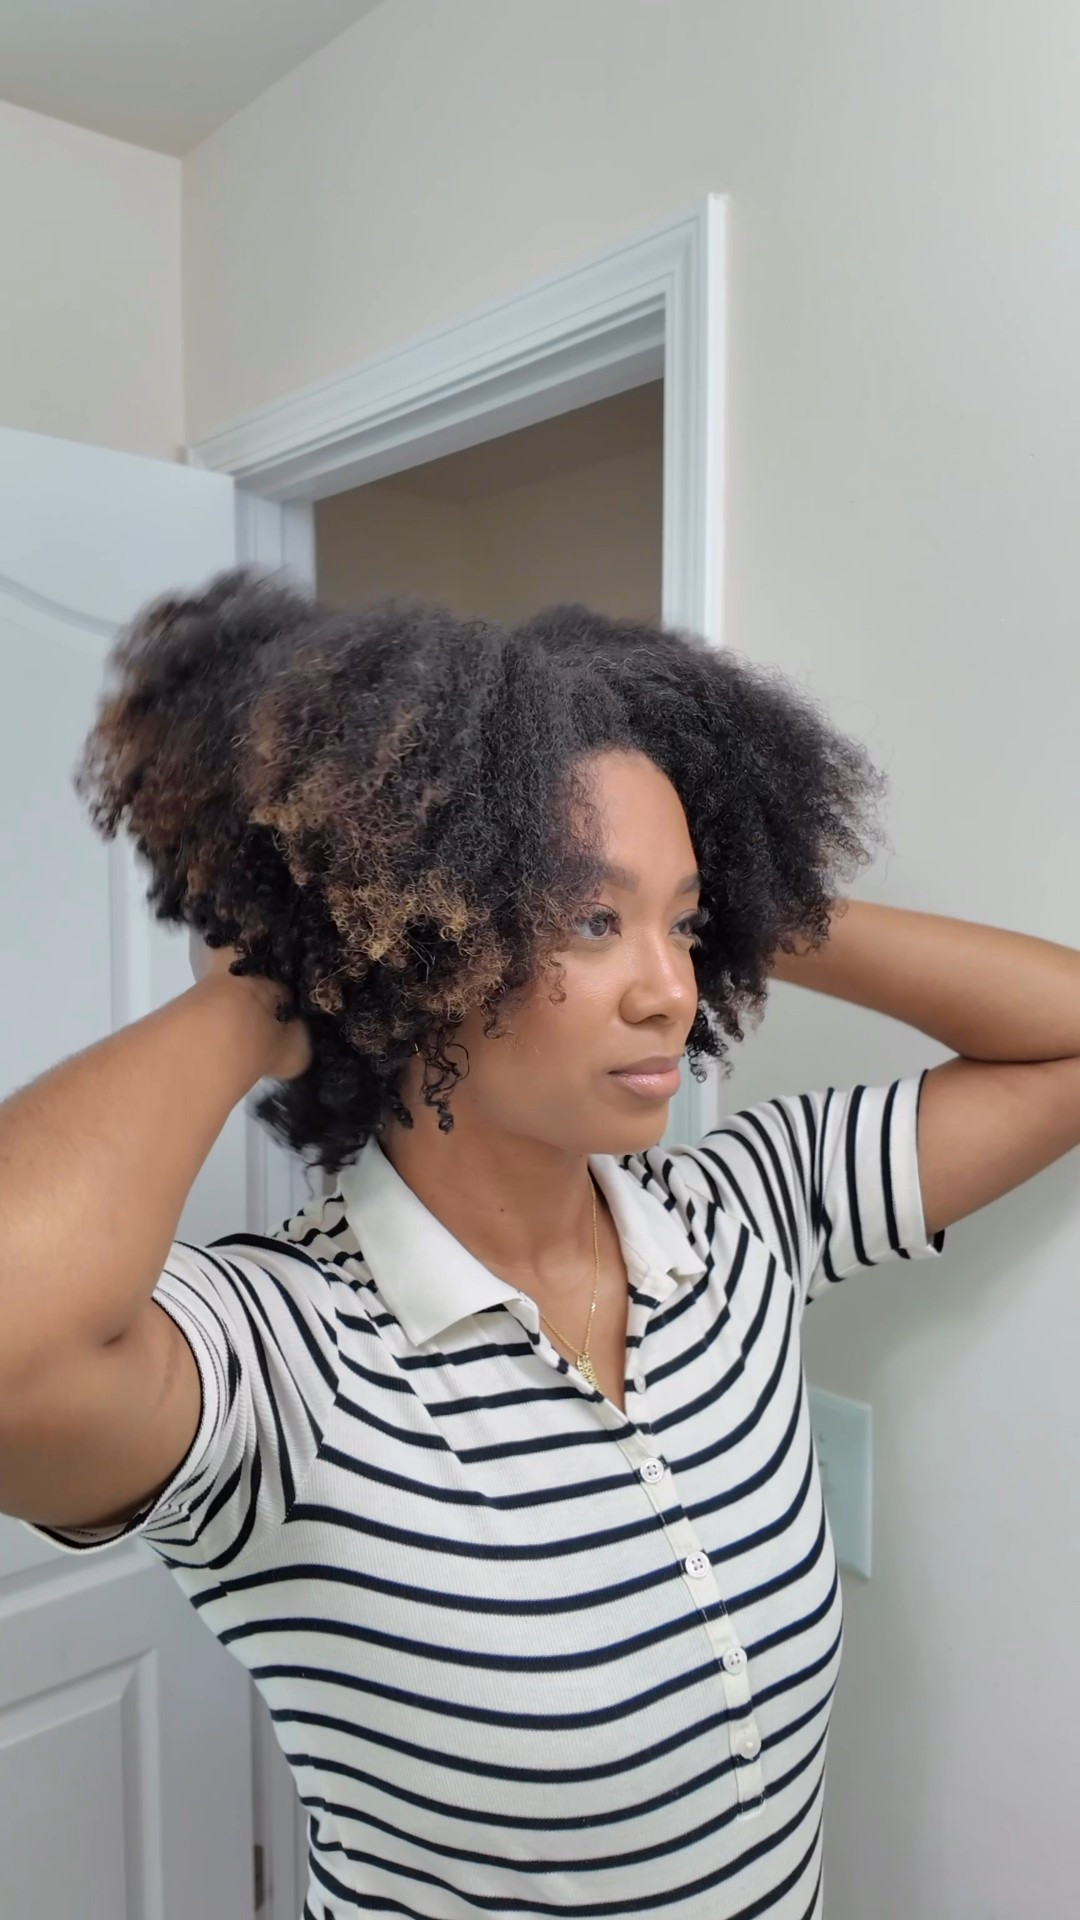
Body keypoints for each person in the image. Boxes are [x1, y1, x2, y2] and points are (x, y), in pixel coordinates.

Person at [2, 569, 1076, 1919]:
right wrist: (277, 981)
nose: (672, 989)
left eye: (683, 925)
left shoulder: (738, 1221)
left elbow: (1068, 1040)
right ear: (425, 941)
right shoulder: (283, 1364)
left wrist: (751, 903)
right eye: (590, 919)